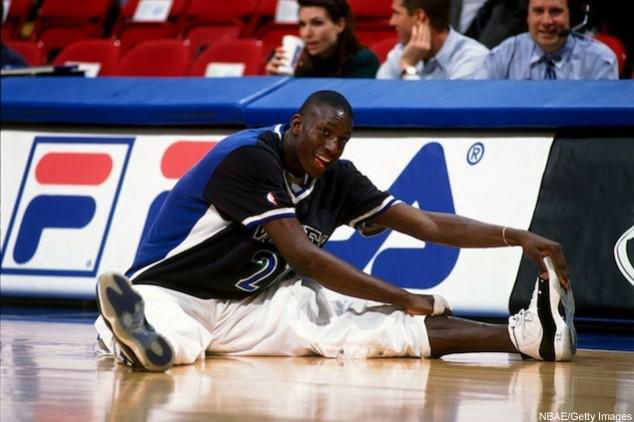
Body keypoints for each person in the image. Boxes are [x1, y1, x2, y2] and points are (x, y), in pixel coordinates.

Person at [94, 90, 576, 372]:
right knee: (175, 333)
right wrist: (404, 293)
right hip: (175, 289)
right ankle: (135, 334)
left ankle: (523, 337)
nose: (332, 147)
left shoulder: (335, 177)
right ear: (298, 125)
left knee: (368, 328)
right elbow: (305, 257)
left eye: (342, 139)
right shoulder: (249, 157)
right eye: (324, 133)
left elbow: (426, 223)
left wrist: (517, 235)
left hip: (253, 304)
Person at [480, 0, 618, 79]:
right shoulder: (503, 55)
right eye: (538, 11)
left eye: (556, 11)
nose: (546, 21)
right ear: (528, 17)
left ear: (572, 16)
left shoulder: (599, 61)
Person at [376, 0, 489, 80]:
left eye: (397, 13)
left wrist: (409, 69)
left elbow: (438, 112)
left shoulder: (472, 58)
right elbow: (379, 100)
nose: (392, 22)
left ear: (420, 17)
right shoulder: (402, 51)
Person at [265, 0, 379, 78]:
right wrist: (274, 80)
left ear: (340, 25)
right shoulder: (299, 63)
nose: (306, 33)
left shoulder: (363, 62)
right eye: (302, 24)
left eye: (317, 23)